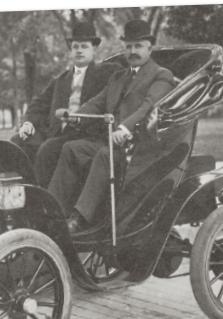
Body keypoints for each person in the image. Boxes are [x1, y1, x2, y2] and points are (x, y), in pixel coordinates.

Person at [47, 19, 176, 233]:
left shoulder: (161, 75)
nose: (132, 51)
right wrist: (74, 116)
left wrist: (124, 129)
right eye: (128, 46)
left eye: (138, 46)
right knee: (72, 148)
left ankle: (79, 219)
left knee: (104, 155)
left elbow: (148, 106)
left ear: (149, 48)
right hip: (109, 143)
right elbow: (97, 103)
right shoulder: (118, 77)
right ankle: (51, 212)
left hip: (136, 149)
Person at [10, 22, 121, 188]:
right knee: (17, 141)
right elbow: (38, 103)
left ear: (94, 49)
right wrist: (28, 123)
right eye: (75, 46)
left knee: (49, 148)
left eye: (84, 46)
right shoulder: (60, 80)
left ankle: (44, 201)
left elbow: (125, 76)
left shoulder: (106, 72)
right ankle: (21, 193)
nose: (79, 50)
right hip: (56, 133)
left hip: (85, 134)